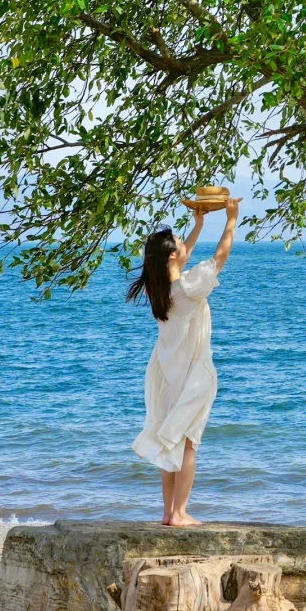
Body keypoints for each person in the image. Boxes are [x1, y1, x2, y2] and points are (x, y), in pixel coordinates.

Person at [128, 195, 240, 526]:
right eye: (179, 242)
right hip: (192, 373)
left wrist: (198, 225)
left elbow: (181, 256)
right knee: (189, 443)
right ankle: (179, 513)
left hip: (168, 372)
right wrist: (231, 219)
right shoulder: (187, 289)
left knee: (172, 443)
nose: (184, 244)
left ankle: (168, 512)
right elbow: (220, 257)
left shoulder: (158, 289)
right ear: (173, 256)